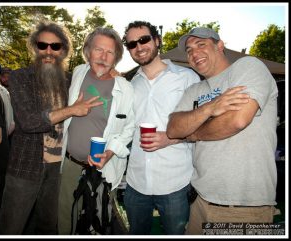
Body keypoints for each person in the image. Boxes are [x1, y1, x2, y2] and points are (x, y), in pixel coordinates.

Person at [166, 27, 279, 235]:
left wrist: (194, 133)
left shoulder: (248, 67)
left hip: (244, 206)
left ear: (220, 45)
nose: (194, 53)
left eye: (201, 45)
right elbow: (173, 128)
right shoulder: (195, 90)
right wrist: (210, 107)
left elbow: (237, 119)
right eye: (189, 50)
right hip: (200, 201)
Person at [0, 21, 101, 235]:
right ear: (35, 47)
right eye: (42, 45)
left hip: (57, 170)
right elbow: (29, 122)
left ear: (63, 50)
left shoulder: (70, 80)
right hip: (24, 168)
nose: (48, 51)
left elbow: (98, 93)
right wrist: (71, 110)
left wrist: (112, 77)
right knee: (11, 227)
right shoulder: (20, 77)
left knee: (47, 227)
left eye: (55, 46)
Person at [122, 21, 200, 235]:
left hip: (175, 184)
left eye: (144, 39)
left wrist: (171, 137)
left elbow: (203, 125)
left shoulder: (187, 78)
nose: (139, 47)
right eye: (131, 44)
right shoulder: (129, 84)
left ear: (157, 41)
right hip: (136, 184)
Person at [58, 27, 134, 234]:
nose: (103, 57)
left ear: (116, 58)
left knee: (98, 221)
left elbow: (129, 128)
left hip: (103, 170)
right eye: (98, 50)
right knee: (65, 219)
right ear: (87, 51)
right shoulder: (79, 73)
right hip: (70, 165)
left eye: (110, 52)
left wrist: (110, 153)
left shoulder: (125, 89)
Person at [0, 62, 14, 224]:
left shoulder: (2, 93)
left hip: (4, 143)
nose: (7, 78)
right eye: (5, 75)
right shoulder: (4, 92)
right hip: (7, 141)